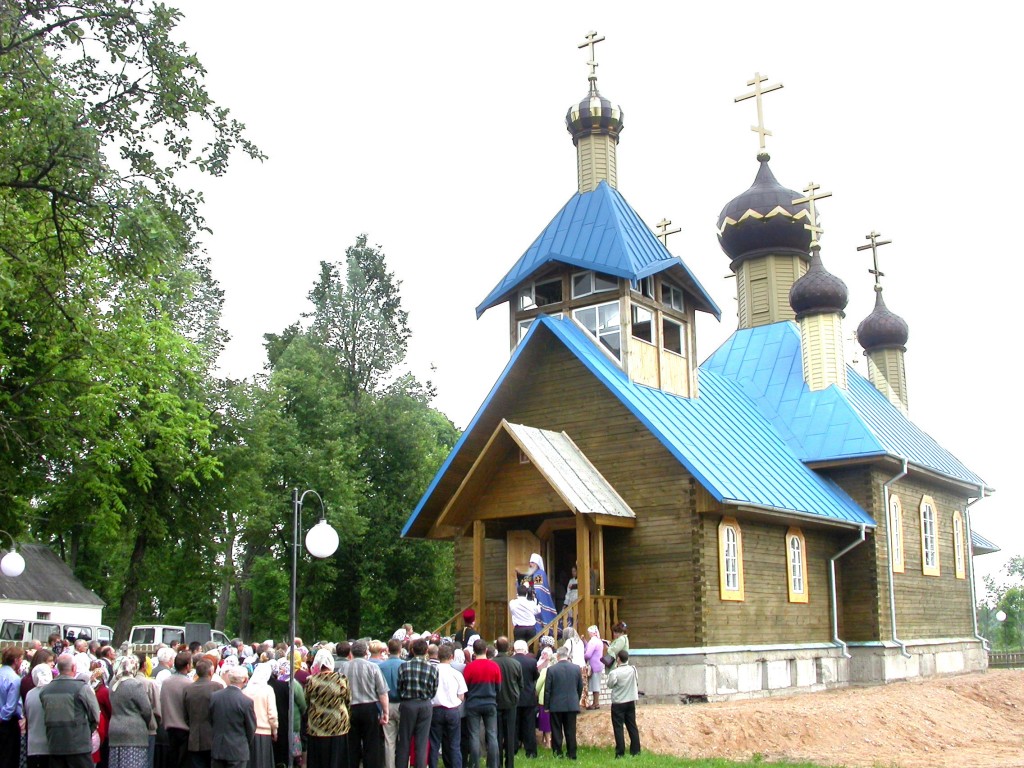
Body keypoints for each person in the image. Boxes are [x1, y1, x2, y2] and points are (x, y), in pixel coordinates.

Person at [40, 654, 101, 768]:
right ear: (74, 668)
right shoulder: (82, 688)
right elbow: (95, 715)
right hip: (79, 746)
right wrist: (88, 730)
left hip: (55, 745)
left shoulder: (45, 690)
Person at [344, 640, 389, 768]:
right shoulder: (373, 667)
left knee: (352, 744)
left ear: (351, 652)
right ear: (366, 652)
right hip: (369, 707)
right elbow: (382, 692)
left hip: (350, 707)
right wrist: (385, 712)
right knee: (372, 743)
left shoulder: (344, 668)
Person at [305, 648, 350, 768]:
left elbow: (307, 701)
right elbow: (348, 700)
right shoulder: (341, 679)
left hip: (317, 725)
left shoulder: (311, 681)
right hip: (338, 724)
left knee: (318, 760)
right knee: (337, 758)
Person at [396, 639, 436, 768]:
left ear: (412, 650)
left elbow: (400, 687)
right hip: (425, 704)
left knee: (404, 741)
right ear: (426, 651)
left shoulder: (404, 666)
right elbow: (433, 689)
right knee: (422, 741)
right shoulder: (432, 668)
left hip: (408, 704)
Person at [108, 656, 154, 768]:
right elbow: (146, 709)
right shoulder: (135, 684)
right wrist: (148, 723)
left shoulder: (113, 684)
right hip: (133, 732)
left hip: (115, 729)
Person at [461, 639, 500, 768]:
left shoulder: (469, 667)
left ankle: (474, 764)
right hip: (490, 702)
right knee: (492, 735)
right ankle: (493, 765)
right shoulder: (494, 666)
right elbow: (498, 687)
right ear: (486, 650)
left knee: (474, 735)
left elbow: (464, 687)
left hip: (473, 704)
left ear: (474, 651)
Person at [209, 667, 256, 768]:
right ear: (245, 680)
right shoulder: (246, 702)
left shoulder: (215, 697)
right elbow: (251, 728)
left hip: (218, 748)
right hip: (238, 749)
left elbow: (210, 720)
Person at [428, 645, 465, 768]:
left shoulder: (431, 671)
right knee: (454, 744)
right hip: (452, 710)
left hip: (435, 709)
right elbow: (461, 695)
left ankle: (433, 765)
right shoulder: (456, 673)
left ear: (438, 656)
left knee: (434, 743)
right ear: (452, 657)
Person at [541, 648, 581, 761]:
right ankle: (572, 754)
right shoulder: (576, 668)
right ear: (567, 656)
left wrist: (546, 706)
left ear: (558, 656)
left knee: (556, 730)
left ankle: (558, 753)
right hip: (571, 704)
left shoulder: (552, 670)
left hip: (556, 705)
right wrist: (576, 700)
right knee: (571, 730)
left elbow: (547, 690)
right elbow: (580, 687)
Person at [373, 639, 404, 768]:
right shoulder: (405, 665)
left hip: (386, 704)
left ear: (387, 650)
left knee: (389, 741)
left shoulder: (380, 666)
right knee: (403, 739)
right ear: (400, 649)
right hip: (402, 704)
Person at [183, 659, 219, 768]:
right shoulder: (217, 687)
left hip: (194, 737)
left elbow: (185, 714)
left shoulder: (188, 688)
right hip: (212, 737)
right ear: (211, 672)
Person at [604, 651, 640, 759]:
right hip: (630, 701)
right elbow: (636, 680)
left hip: (618, 703)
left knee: (618, 728)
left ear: (618, 659)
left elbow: (610, 685)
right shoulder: (633, 669)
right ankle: (636, 750)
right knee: (632, 726)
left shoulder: (614, 672)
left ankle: (620, 752)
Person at [160, 651, 193, 768]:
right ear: (188, 665)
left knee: (172, 759)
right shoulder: (189, 684)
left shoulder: (166, 682)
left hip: (169, 727)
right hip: (185, 728)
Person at [491, 639, 521, 768]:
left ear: (496, 647)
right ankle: (510, 763)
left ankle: (497, 763)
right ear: (509, 648)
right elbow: (521, 684)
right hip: (511, 702)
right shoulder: (515, 663)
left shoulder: (492, 663)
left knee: (497, 734)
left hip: (496, 701)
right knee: (510, 734)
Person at [242, 662, 278, 768]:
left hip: (248, 732)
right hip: (264, 732)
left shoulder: (245, 690)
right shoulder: (267, 690)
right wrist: (274, 730)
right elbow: (272, 714)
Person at [510, 641, 537, 760]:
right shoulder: (531, 662)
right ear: (525, 649)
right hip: (528, 697)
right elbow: (536, 676)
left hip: (514, 697)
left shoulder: (510, 661)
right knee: (529, 726)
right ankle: (530, 751)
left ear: (514, 649)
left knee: (514, 725)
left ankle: (513, 749)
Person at [0, 645, 25, 768]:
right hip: (7, 723)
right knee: (9, 757)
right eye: (21, 659)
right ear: (15, 660)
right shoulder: (14, 679)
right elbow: (11, 706)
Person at [25, 663, 54, 768]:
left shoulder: (29, 694)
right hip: (49, 744)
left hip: (33, 744)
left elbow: (28, 714)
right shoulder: (54, 693)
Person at [525, 555, 556, 633]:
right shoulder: (529, 574)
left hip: (538, 601)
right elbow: (522, 585)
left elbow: (539, 589)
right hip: (529, 602)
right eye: (530, 562)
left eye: (532, 562)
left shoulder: (540, 573)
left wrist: (531, 591)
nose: (530, 564)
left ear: (537, 564)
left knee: (540, 621)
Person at [582, 627, 603, 710]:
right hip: (599, 665)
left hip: (594, 666)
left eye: (590, 632)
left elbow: (588, 654)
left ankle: (595, 703)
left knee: (595, 685)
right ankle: (596, 703)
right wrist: (584, 640)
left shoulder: (593, 641)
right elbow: (588, 647)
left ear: (593, 633)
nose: (589, 633)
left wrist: (582, 657)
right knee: (596, 684)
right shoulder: (598, 640)